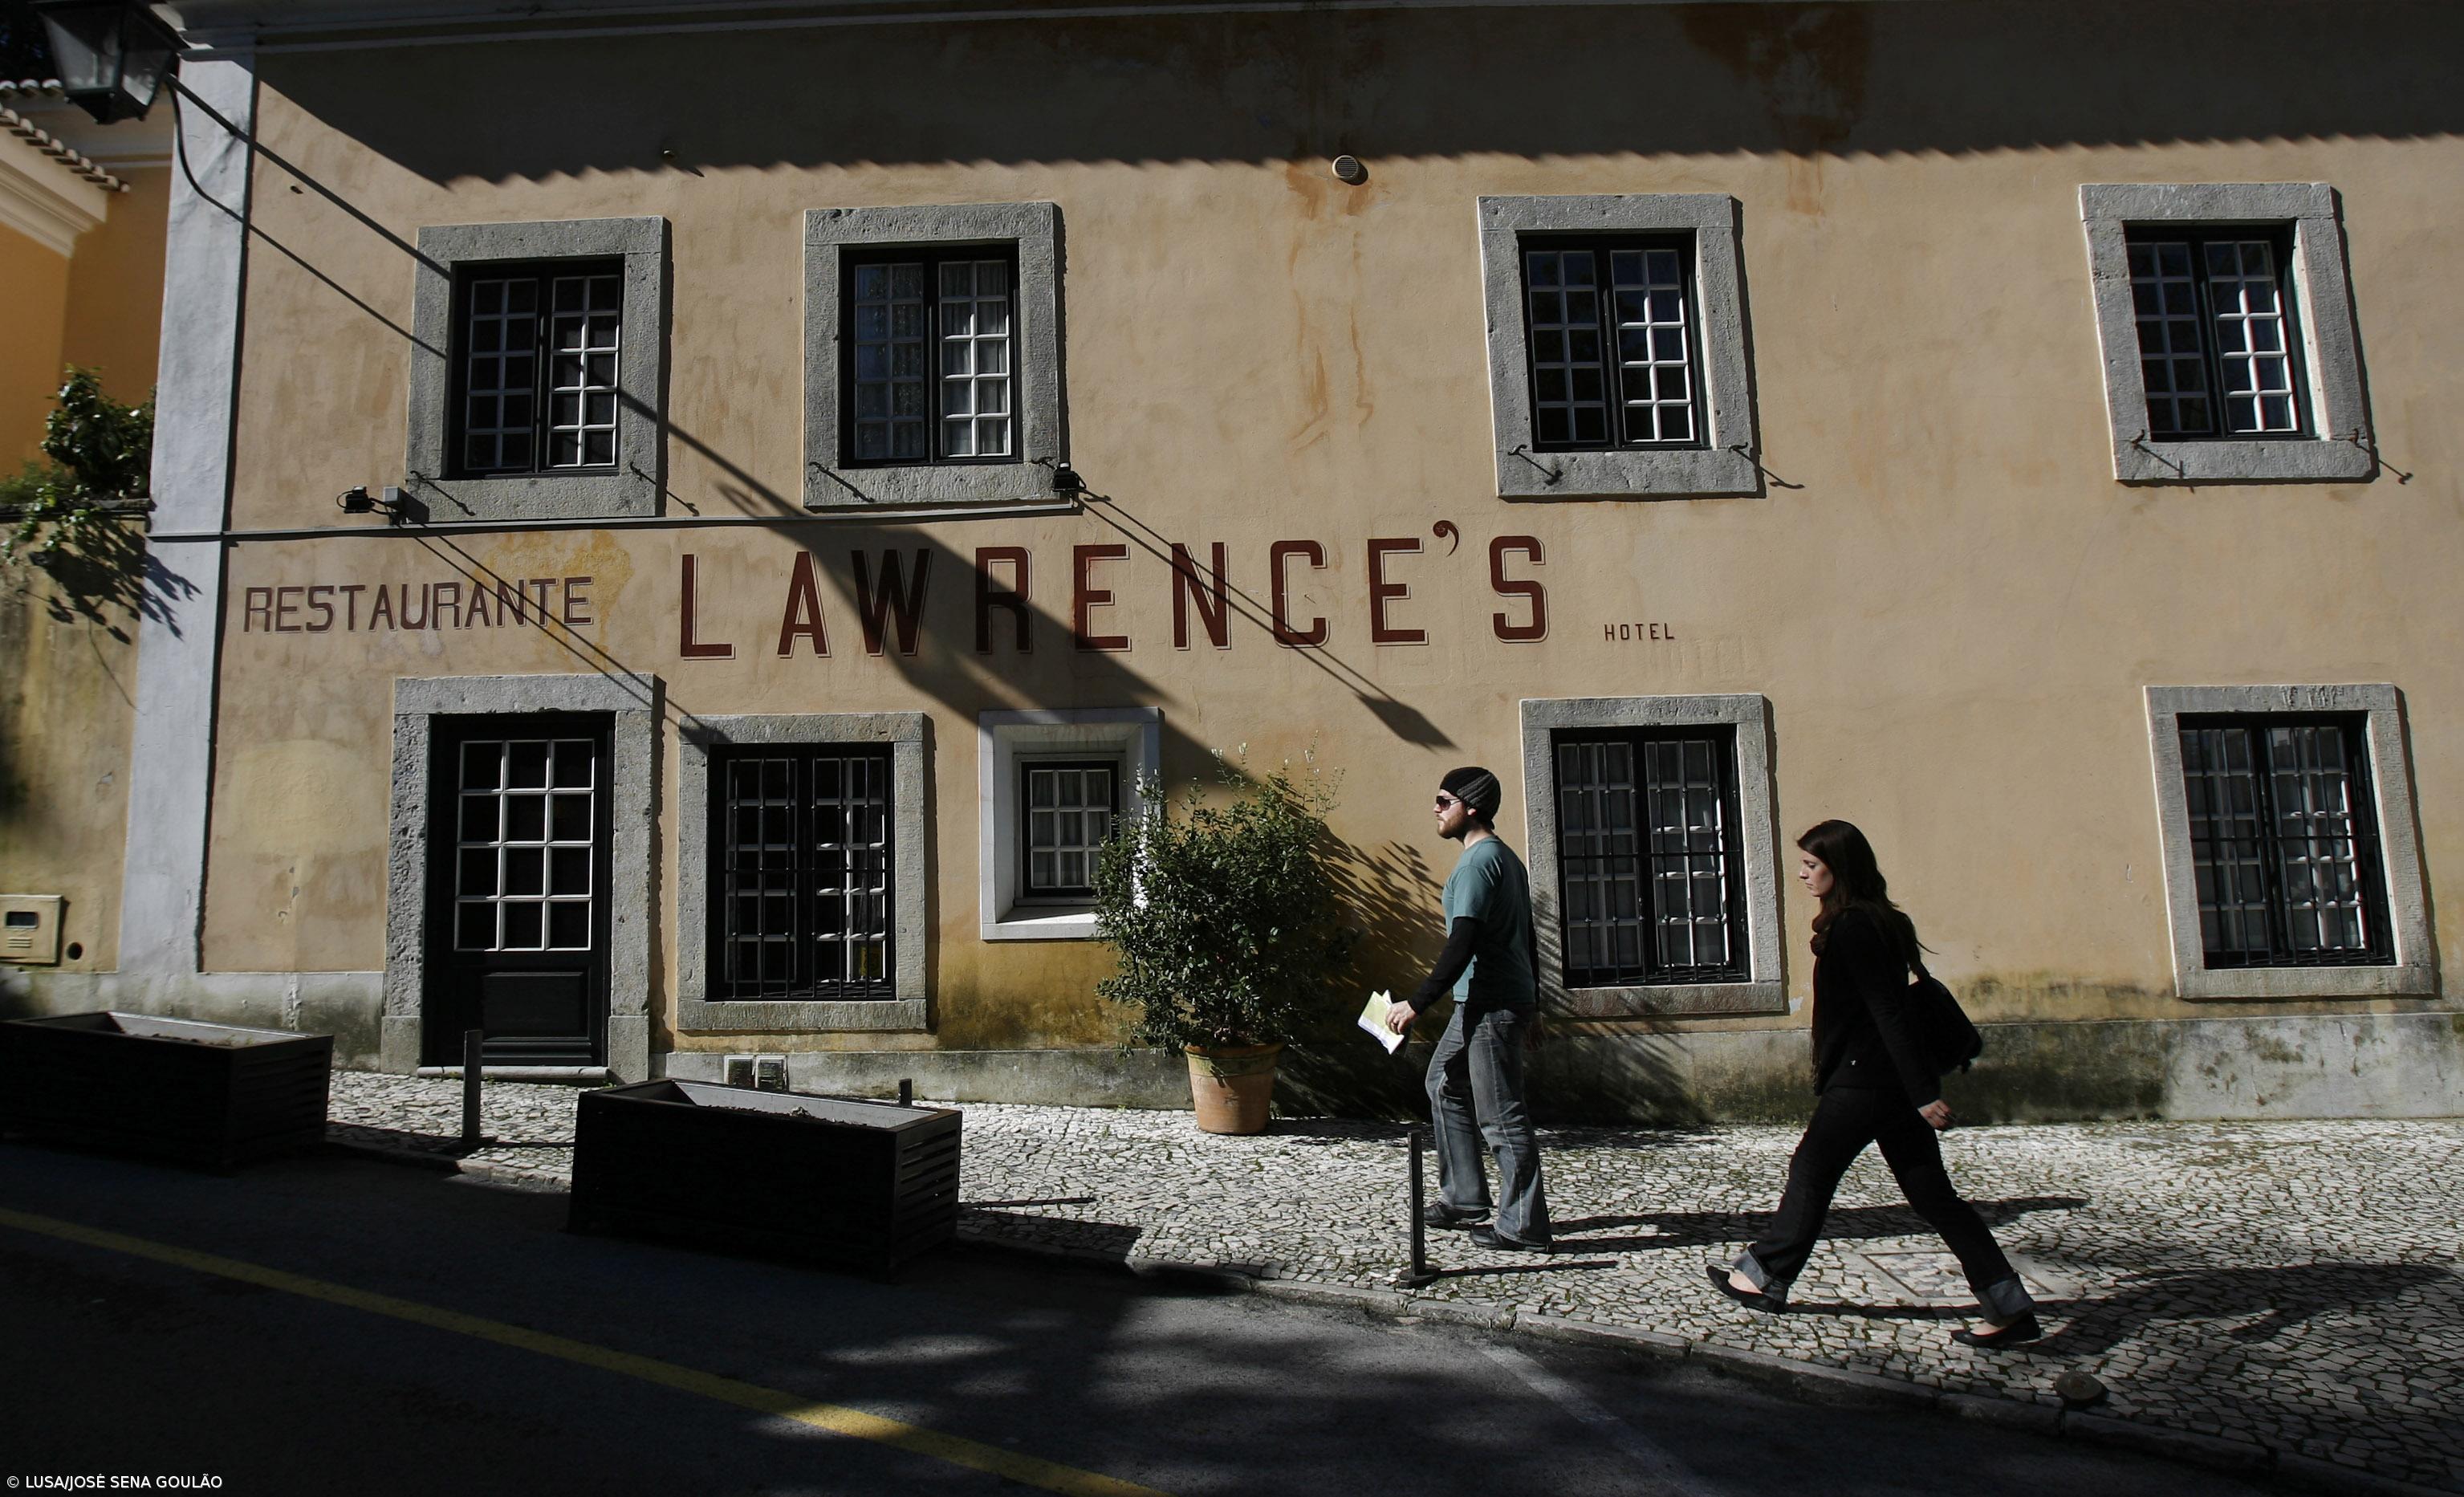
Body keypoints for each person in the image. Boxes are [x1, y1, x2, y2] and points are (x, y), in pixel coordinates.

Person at [1710, 819, 2039, 1348]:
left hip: (1866, 1079)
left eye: (1812, 865)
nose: (1802, 873)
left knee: (1812, 1169)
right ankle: (2009, 1305)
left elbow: (1889, 1012)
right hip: (1886, 1081)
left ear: (1841, 869)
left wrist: (1923, 1093)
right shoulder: (1885, 920)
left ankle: (1763, 1274)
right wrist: (1917, 1088)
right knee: (1935, 1196)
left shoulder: (1856, 927)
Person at [1385, 767, 1551, 1253]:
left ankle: (1523, 1225)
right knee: (1442, 1082)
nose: (1435, 809)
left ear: (1470, 807)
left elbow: (1464, 940)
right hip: (1482, 1002)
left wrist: (1416, 1004)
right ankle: (1464, 1198)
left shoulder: (1480, 864)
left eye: (1443, 801)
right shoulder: (1504, 859)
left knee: (1501, 1115)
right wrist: (1536, 1006)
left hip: (1491, 1004)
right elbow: (1528, 940)